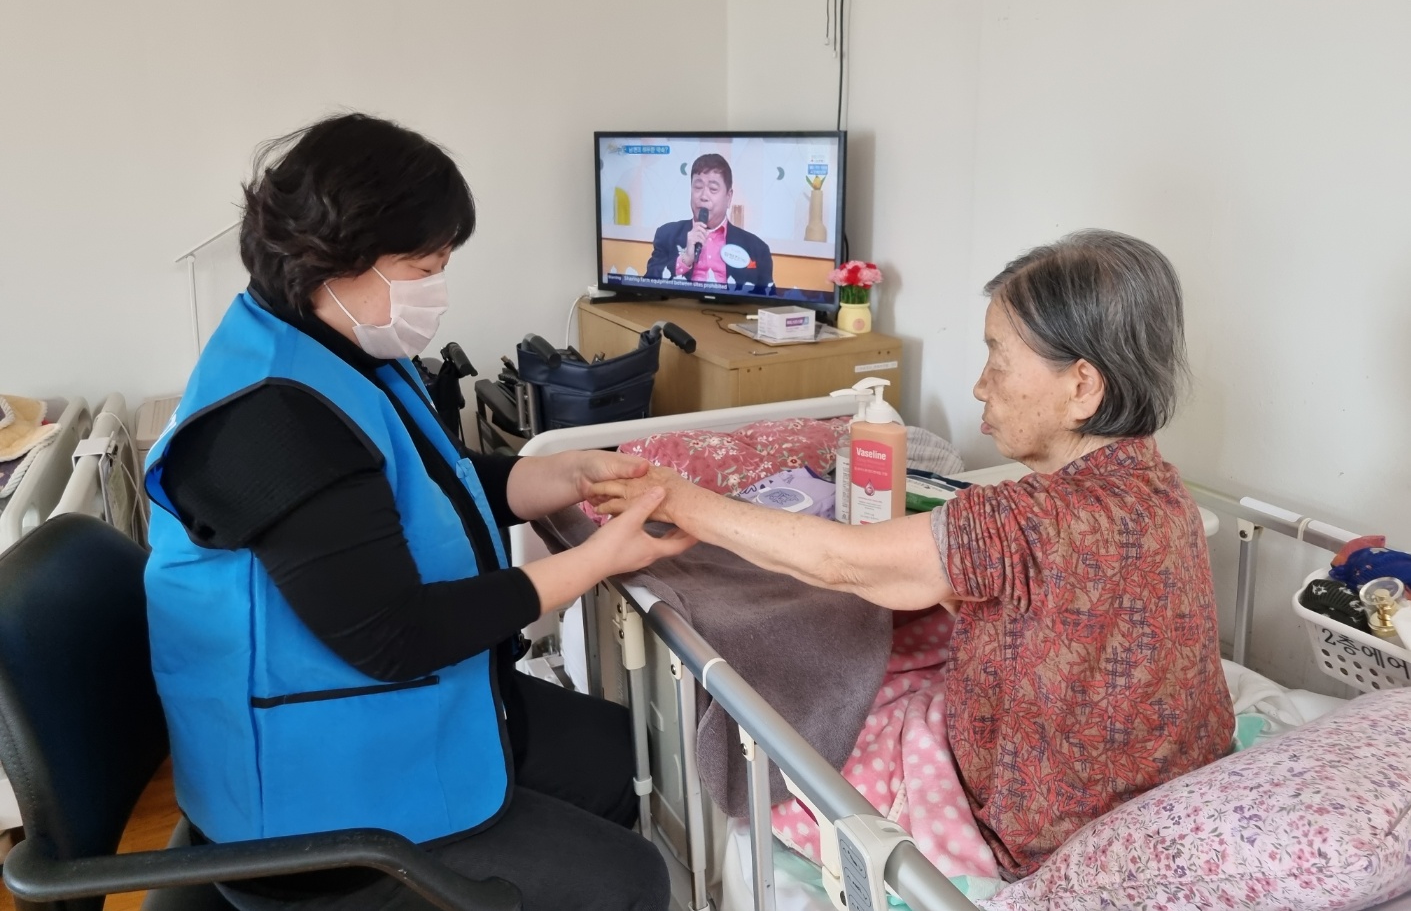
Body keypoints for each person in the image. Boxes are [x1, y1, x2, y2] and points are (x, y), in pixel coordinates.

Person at [143, 113, 694, 911]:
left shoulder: (336, 347)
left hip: (387, 709)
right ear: (335, 258)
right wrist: (597, 560)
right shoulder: (272, 418)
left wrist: (564, 473)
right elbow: (394, 638)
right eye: (424, 266)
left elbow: (428, 487)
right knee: (634, 881)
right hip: (318, 810)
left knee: (619, 753)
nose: (436, 287)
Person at [593, 229, 1234, 880]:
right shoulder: (1162, 490)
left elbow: (838, 560)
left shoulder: (1020, 519)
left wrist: (678, 498)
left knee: (797, 759)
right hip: (1170, 796)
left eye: (998, 359)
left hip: (1050, 835)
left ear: (1082, 387)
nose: (980, 386)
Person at [644, 153, 774, 291]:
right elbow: (647, 287)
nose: (703, 196)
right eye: (698, 187)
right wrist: (685, 260)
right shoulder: (667, 235)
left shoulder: (757, 249)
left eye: (713, 189)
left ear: (728, 197)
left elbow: (766, 297)